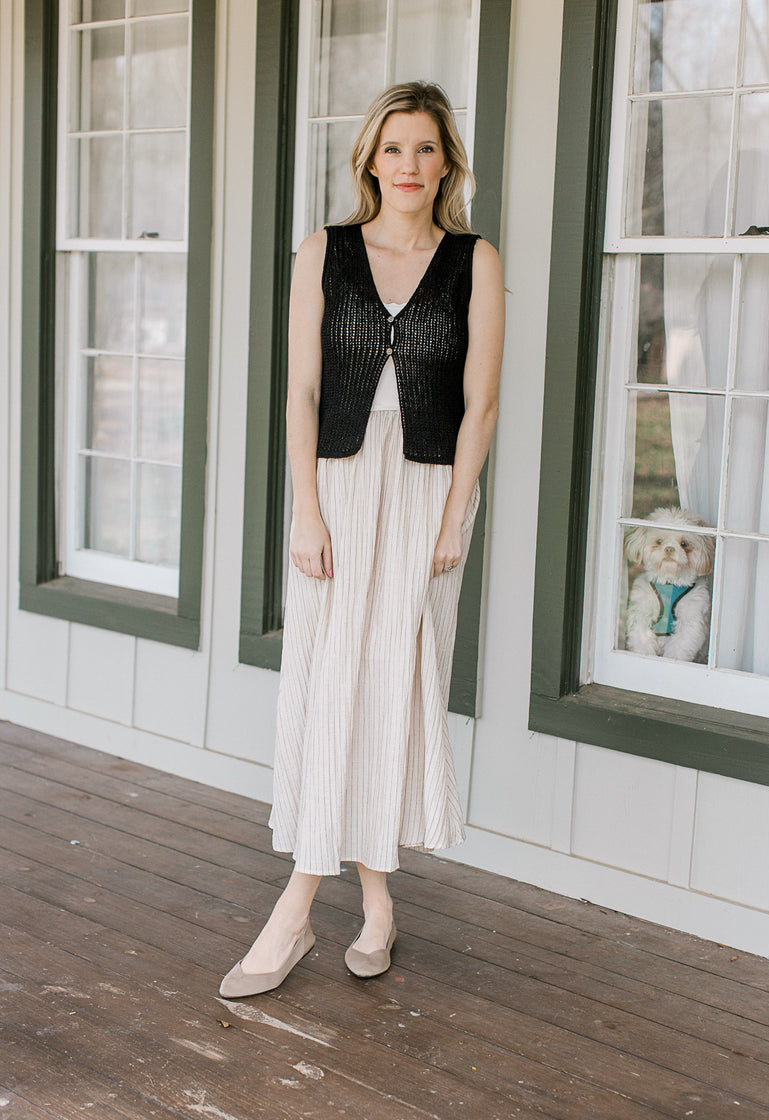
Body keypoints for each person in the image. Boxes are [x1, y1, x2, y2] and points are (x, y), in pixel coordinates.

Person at [220, 81, 504, 997]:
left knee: (394, 685)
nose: (409, 167)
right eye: (393, 149)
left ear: (446, 160)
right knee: (326, 681)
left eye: (425, 149)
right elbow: (301, 392)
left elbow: (481, 403)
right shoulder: (324, 252)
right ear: (369, 160)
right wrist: (304, 508)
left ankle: (362, 905)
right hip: (336, 486)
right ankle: (308, 908)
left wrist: (457, 513)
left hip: (426, 493)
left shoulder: (474, 261)